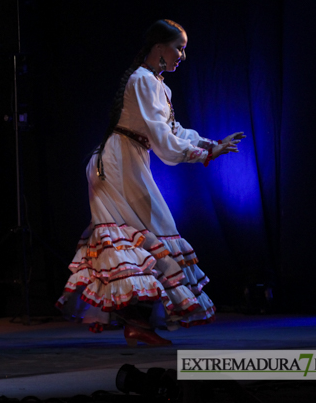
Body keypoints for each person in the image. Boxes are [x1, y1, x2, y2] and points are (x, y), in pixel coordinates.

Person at [56, 19, 244, 346]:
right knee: (141, 237)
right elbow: (162, 140)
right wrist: (202, 154)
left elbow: (172, 131)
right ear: (159, 47)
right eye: (179, 48)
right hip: (116, 165)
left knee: (149, 238)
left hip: (130, 161)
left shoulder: (158, 84)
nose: (182, 56)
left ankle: (137, 324)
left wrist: (209, 146)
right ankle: (135, 323)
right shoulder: (142, 80)